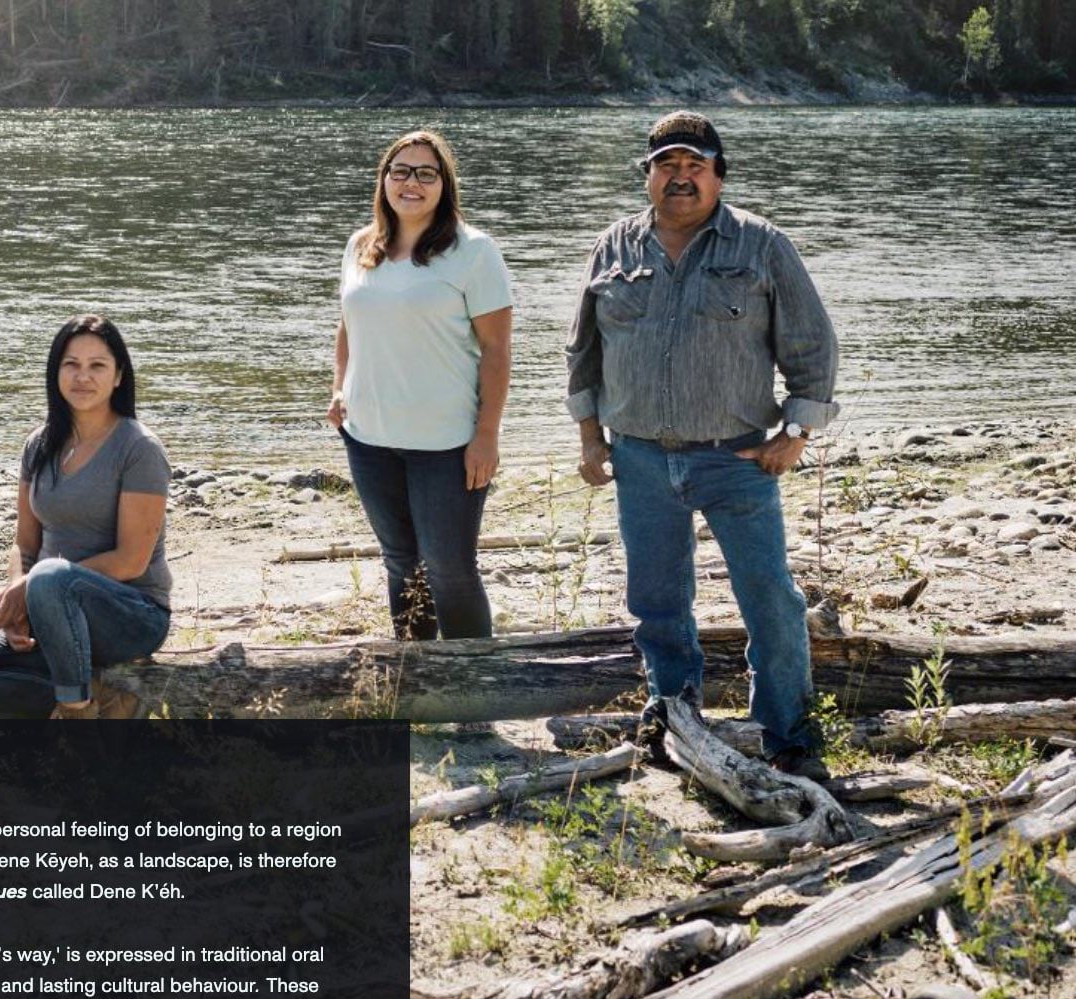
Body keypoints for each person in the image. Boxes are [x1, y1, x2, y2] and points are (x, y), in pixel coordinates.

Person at [566, 111, 840, 781]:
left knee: (769, 598)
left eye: (694, 166)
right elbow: (583, 352)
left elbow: (812, 346)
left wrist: (795, 434)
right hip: (638, 457)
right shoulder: (613, 247)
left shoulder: (761, 246)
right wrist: (589, 439)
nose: (680, 177)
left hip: (736, 458)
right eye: (667, 165)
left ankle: (788, 733)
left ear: (718, 174)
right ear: (647, 175)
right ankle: (674, 717)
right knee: (656, 601)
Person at [0, 315, 173, 719]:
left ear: (118, 377)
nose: (83, 377)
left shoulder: (139, 448)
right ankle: (103, 694)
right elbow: (25, 544)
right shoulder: (39, 444)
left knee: (49, 577)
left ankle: (75, 713)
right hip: (47, 611)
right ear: (55, 371)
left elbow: (131, 560)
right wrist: (17, 599)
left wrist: (37, 587)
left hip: (132, 615)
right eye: (71, 364)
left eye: (97, 365)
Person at [328, 130, 514, 640]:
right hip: (369, 438)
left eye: (426, 173)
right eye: (401, 171)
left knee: (449, 569)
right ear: (384, 179)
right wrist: (340, 387)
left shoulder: (473, 252)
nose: (412, 182)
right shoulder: (361, 246)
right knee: (401, 564)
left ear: (444, 185)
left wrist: (487, 434)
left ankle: (472, 689)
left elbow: (497, 351)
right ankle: (418, 681)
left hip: (447, 444)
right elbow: (348, 323)